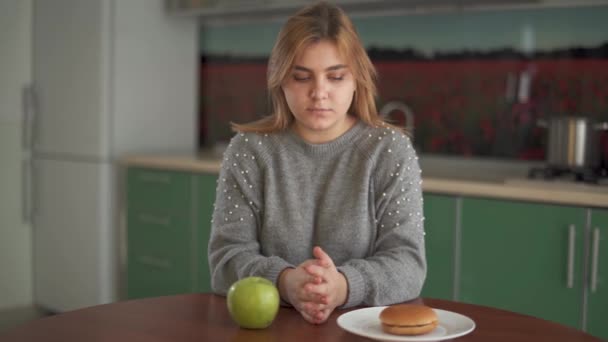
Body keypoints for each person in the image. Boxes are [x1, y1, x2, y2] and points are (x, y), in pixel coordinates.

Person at [208, 0, 426, 325]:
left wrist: (343, 285)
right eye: (302, 77)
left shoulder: (391, 151)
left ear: (356, 80)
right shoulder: (248, 150)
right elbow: (226, 258)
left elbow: (408, 264)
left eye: (336, 77)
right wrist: (284, 280)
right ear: (281, 80)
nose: (319, 92)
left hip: (362, 330)